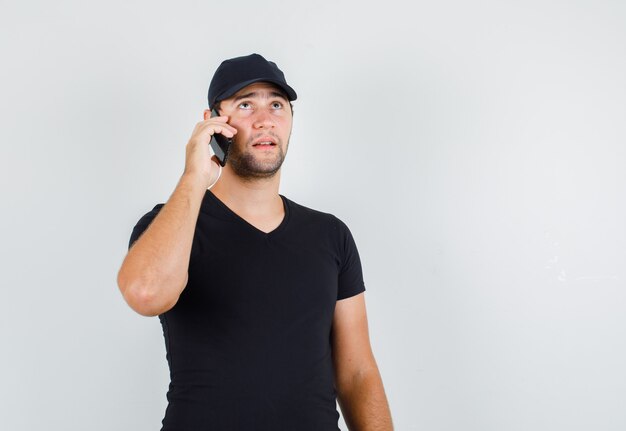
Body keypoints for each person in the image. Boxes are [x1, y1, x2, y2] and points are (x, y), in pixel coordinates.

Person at [117, 53, 393, 430]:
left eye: (276, 105)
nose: (265, 120)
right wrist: (194, 176)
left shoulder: (330, 235)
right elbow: (145, 294)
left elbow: (358, 372)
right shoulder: (169, 225)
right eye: (246, 104)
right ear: (213, 123)